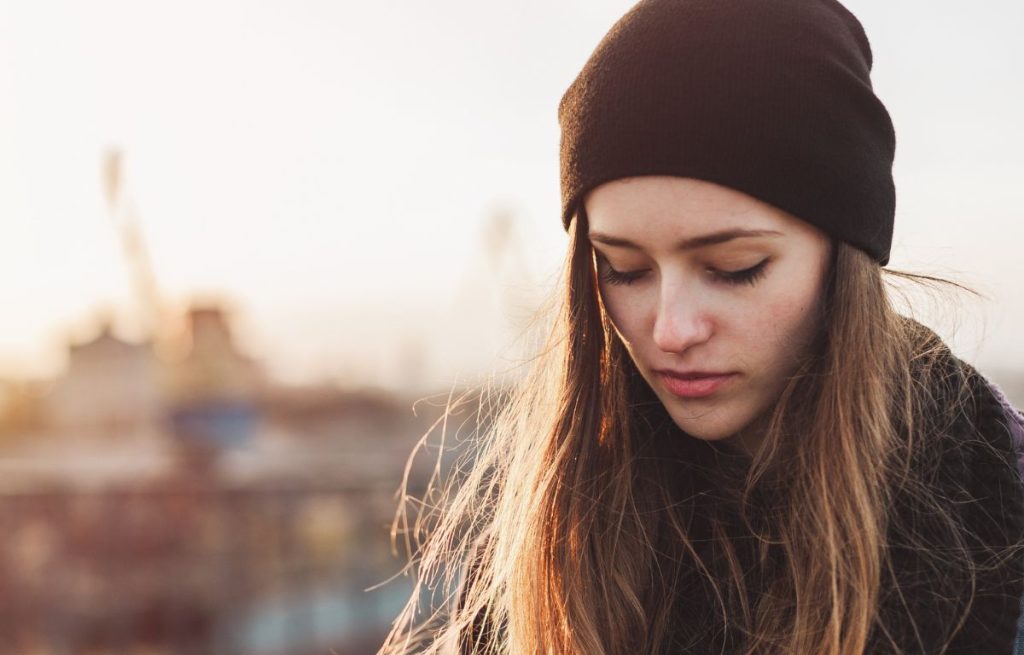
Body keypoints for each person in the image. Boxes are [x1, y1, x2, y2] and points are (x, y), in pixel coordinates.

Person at [377, 0, 1024, 653]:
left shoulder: (1001, 522)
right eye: (624, 269)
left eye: (734, 268)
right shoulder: (541, 544)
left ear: (843, 260)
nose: (670, 330)